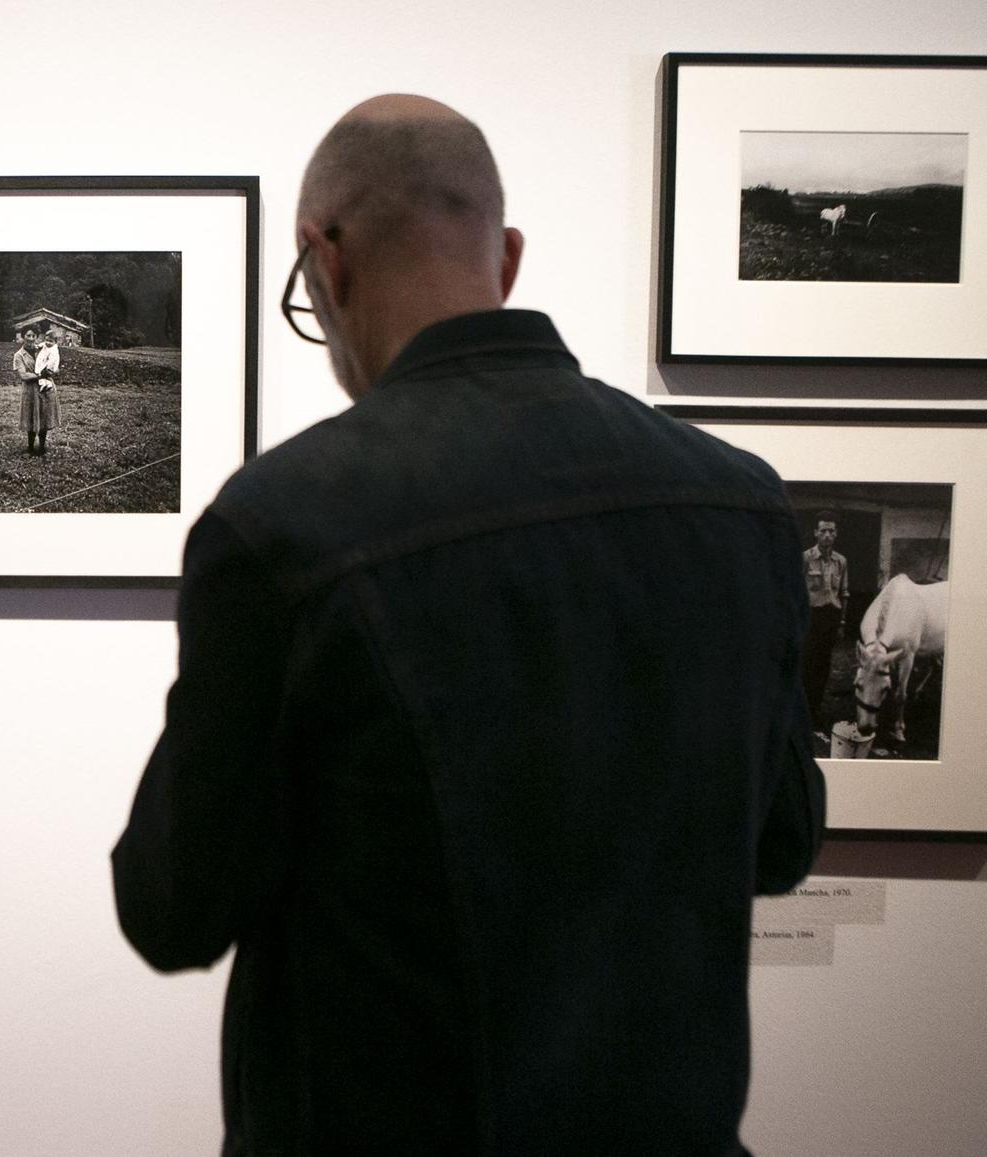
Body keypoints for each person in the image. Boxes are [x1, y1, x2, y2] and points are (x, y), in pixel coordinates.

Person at [111, 94, 824, 1155]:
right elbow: (778, 843)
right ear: (509, 256)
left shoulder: (284, 524)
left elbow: (173, 906)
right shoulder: (740, 501)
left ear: (321, 261)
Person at [800, 512, 851, 738]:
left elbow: (845, 593)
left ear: (836, 534)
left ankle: (815, 712)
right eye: (823, 531)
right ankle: (801, 713)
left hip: (831, 617)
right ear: (815, 533)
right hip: (811, 617)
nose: (828, 535)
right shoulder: (805, 558)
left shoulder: (841, 561)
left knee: (823, 666)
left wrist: (841, 622)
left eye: (831, 531)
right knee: (805, 666)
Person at [13, 328, 59, 456]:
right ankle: (30, 448)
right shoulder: (19, 355)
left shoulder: (44, 349)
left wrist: (52, 370)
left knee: (44, 418)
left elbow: (56, 368)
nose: (31, 338)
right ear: (23, 336)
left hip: (45, 389)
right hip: (30, 391)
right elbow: (23, 375)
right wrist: (40, 375)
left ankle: (42, 447)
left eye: (33, 335)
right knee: (31, 418)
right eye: (28, 335)